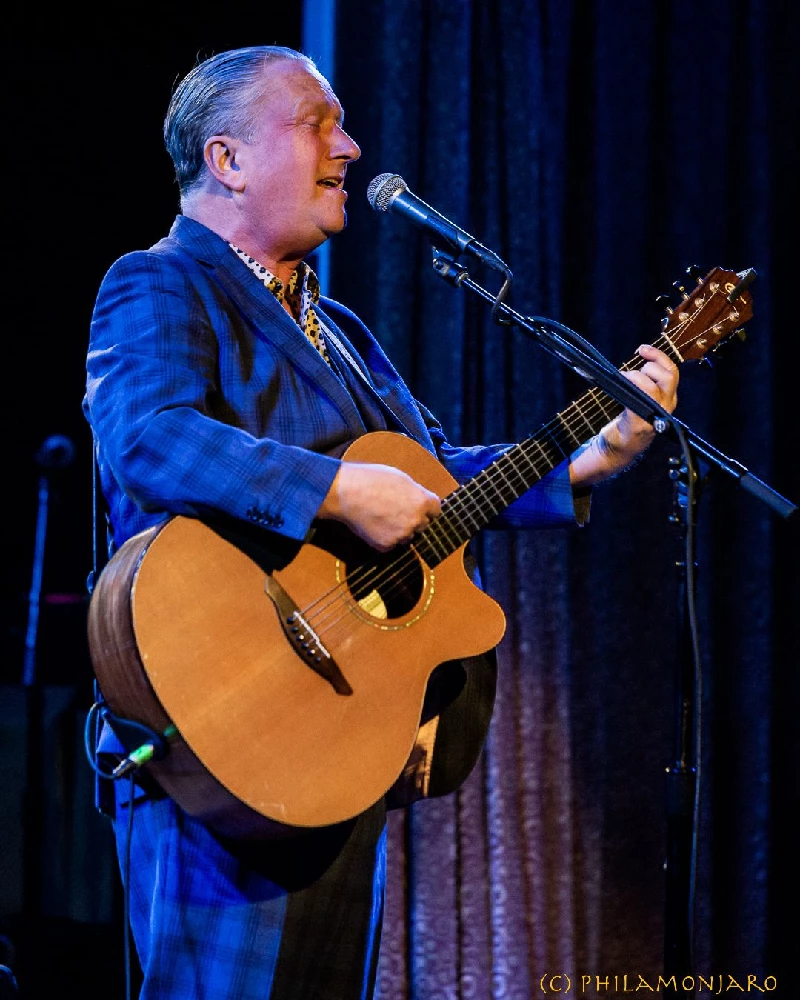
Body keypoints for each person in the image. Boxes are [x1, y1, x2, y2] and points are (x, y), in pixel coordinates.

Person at [82, 45, 679, 1000]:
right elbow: (147, 436)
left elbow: (433, 486)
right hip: (216, 729)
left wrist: (588, 455)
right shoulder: (160, 282)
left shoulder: (346, 332)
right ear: (227, 159)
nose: (351, 147)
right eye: (317, 124)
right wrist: (333, 490)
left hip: (333, 740)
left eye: (344, 125)